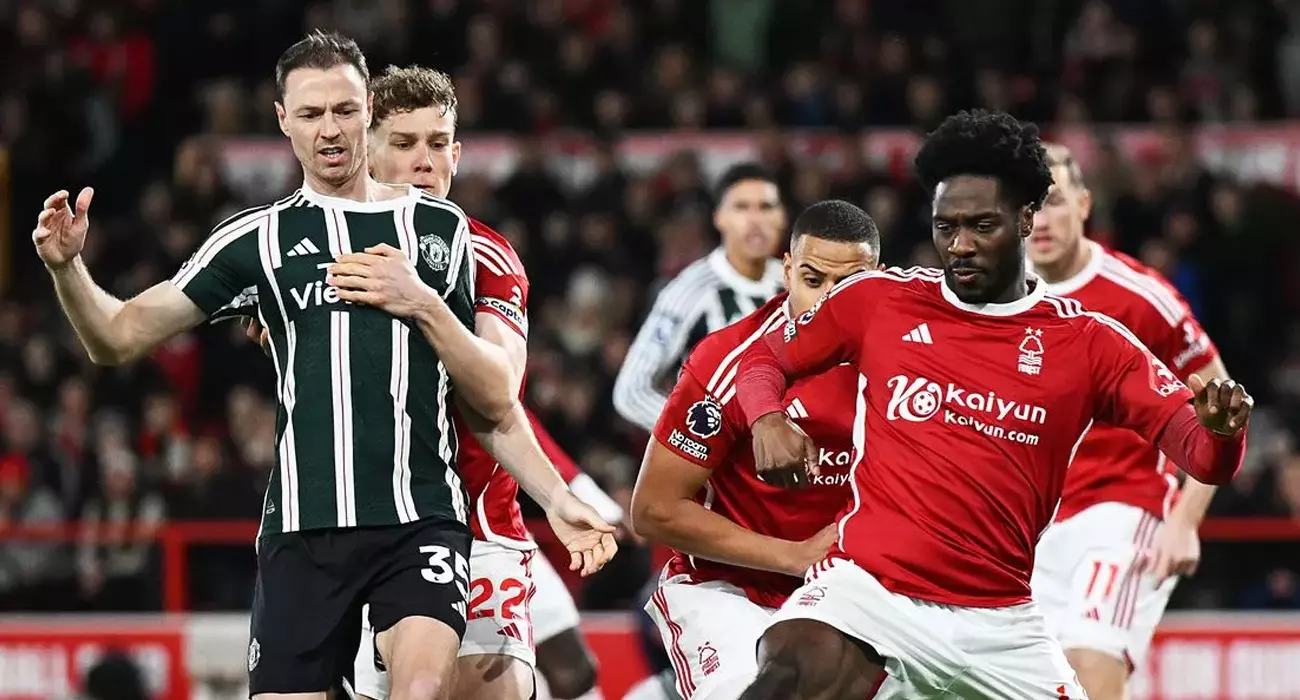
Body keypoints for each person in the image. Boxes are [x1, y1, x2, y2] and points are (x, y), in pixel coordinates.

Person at [31, 32, 614, 700]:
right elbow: (117, 337)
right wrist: (67, 269)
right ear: (283, 119)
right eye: (310, 114)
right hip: (302, 535)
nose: (329, 130)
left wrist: (557, 497)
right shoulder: (255, 240)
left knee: (424, 689)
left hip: (420, 522)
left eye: (343, 110)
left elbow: (489, 400)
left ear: (367, 110)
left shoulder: (441, 233)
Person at [730, 110, 1254, 700]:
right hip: (872, 592)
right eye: (946, 227)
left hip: (1001, 624)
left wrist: (1222, 434)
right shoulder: (878, 301)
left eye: (982, 226)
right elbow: (762, 359)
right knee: (790, 670)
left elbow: (1201, 456)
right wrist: (767, 418)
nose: (960, 246)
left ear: (1026, 217)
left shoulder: (1091, 344)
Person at [240, 64, 617, 700]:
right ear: (366, 150)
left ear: (457, 156)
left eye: (438, 144)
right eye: (404, 143)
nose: (424, 161)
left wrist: (422, 302)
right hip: (356, 531)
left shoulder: (482, 253)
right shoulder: (314, 253)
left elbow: (499, 389)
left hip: (477, 531)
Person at [630, 200, 881, 700]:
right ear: (787, 272)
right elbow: (654, 510)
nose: (829, 301)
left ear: (877, 280)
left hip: (851, 593)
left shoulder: (904, 361)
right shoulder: (723, 361)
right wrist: (796, 557)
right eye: (813, 280)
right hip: (733, 592)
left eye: (849, 284)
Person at [1026, 144, 1232, 700]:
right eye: (1028, 205)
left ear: (1084, 204)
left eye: (1053, 202)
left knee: (1090, 668)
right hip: (1027, 524)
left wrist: (1185, 519)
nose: (1040, 220)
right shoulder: (994, 298)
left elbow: (1224, 409)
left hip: (1121, 512)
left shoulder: (1142, 299)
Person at [613, 164, 787, 432]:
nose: (756, 220)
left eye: (766, 207)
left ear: (782, 217)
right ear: (719, 217)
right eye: (742, 207)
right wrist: (702, 436)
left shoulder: (796, 284)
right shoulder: (689, 290)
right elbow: (631, 391)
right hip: (723, 453)